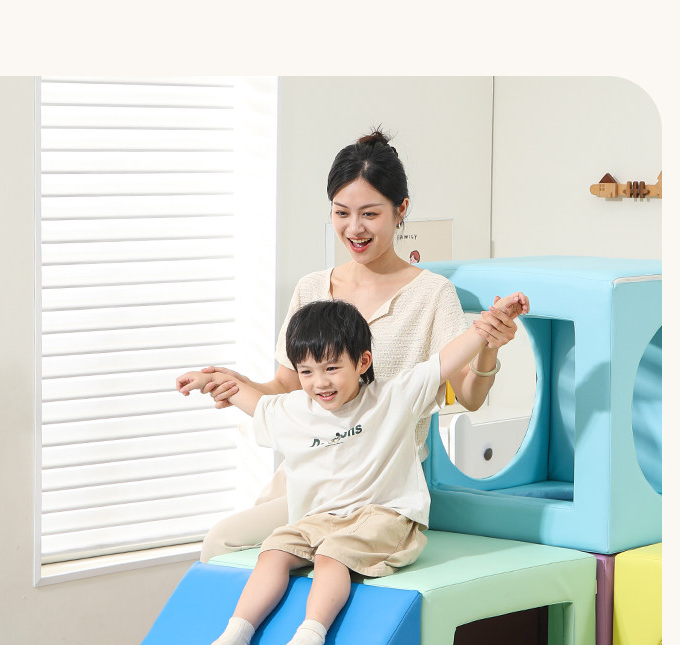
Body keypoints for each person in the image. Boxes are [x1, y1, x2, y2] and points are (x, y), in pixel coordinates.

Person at [176, 129, 521, 561]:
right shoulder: (312, 289)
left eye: (370, 214)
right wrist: (236, 384)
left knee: (287, 556)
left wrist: (489, 346)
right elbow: (287, 388)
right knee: (223, 543)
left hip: (378, 481)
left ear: (401, 210)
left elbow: (469, 396)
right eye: (341, 213)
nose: (354, 229)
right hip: (309, 470)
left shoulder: (432, 294)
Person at [189, 291, 528, 645]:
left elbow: (446, 360)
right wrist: (209, 379)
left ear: (363, 361)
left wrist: (488, 323)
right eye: (306, 372)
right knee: (275, 549)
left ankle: (310, 639)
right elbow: (249, 397)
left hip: (386, 516)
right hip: (321, 519)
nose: (320, 383)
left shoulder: (393, 396)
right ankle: (237, 635)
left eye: (331, 368)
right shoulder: (294, 410)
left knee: (333, 553)